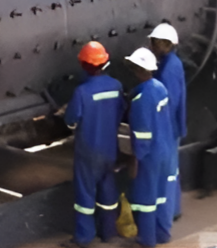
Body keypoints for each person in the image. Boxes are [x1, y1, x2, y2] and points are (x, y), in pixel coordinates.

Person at [64, 41, 125, 247]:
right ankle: (108, 232)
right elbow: (120, 112)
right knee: (108, 191)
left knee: (85, 194)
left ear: (84, 65)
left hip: (88, 152)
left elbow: (71, 121)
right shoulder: (116, 86)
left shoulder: (81, 92)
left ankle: (84, 237)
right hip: (110, 149)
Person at [125, 47, 173, 247]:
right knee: (160, 195)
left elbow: (143, 135)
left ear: (138, 70)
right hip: (165, 150)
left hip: (150, 156)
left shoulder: (141, 100)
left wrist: (136, 160)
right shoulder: (160, 88)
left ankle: (147, 239)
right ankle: (162, 234)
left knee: (145, 199)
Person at [149, 23, 186, 221]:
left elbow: (168, 102)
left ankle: (169, 212)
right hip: (171, 126)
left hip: (168, 127)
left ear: (166, 44)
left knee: (168, 172)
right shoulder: (170, 63)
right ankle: (173, 209)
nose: (152, 47)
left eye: (155, 43)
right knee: (171, 171)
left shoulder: (168, 69)